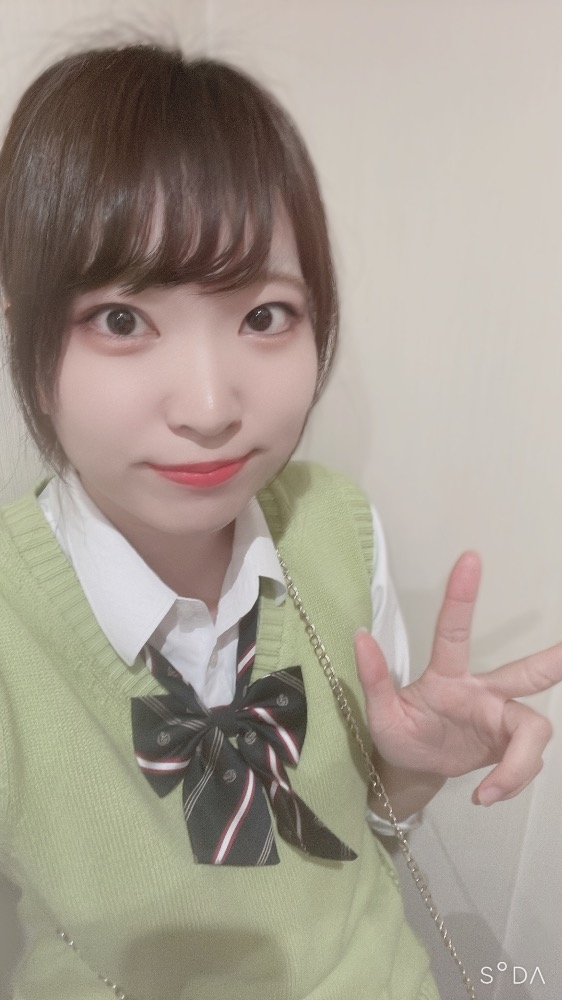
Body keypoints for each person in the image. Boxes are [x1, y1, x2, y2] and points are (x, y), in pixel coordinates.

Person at [0, 43, 559, 1000]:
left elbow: (367, 843)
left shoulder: (337, 529)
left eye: (264, 315)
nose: (210, 406)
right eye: (123, 320)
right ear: (23, 332)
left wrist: (410, 775)